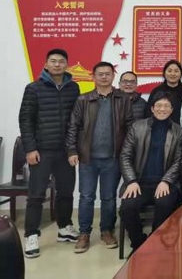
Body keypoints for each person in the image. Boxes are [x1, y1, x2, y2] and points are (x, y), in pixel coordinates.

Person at [66, 61, 134, 254]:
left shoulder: (123, 99)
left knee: (108, 197)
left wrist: (127, 153)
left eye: (107, 74)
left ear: (113, 76)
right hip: (88, 158)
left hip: (113, 158)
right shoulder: (83, 99)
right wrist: (71, 151)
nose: (104, 77)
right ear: (93, 77)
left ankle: (106, 231)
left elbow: (130, 127)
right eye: (100, 74)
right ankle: (84, 233)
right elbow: (73, 126)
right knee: (86, 197)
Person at [19, 48, 80, 258]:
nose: (57, 64)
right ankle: (31, 235)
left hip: (65, 151)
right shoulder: (33, 88)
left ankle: (64, 228)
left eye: (61, 61)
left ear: (66, 65)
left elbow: (76, 120)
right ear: (46, 64)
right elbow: (25, 120)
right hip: (41, 151)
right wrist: (30, 148)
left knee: (66, 192)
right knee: (36, 195)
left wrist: (73, 148)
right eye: (53, 61)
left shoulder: (73, 88)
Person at [119, 92, 182, 254]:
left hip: (164, 182)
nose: (162, 109)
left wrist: (166, 181)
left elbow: (178, 161)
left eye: (166, 106)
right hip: (139, 182)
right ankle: (138, 243)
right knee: (127, 207)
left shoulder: (178, 131)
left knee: (165, 204)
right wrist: (131, 181)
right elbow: (125, 156)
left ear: (171, 110)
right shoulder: (137, 127)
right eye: (159, 106)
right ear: (152, 108)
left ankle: (155, 241)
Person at [145, 60, 182, 125]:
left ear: (180, 74)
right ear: (164, 73)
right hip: (159, 126)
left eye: (176, 71)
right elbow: (148, 112)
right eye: (169, 71)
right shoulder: (157, 91)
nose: (173, 74)